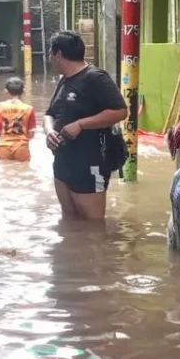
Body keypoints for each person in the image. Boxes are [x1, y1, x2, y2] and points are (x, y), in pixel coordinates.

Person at [43, 31, 128, 221]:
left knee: (93, 224)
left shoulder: (95, 78)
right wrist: (49, 131)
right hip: (63, 159)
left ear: (58, 54)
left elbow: (121, 111)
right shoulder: (64, 80)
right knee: (69, 216)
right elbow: (50, 113)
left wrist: (81, 124)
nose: (49, 58)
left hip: (91, 161)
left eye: (50, 53)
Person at [0, 77, 36, 162]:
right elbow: (31, 133)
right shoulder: (29, 109)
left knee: (3, 172)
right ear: (23, 92)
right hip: (21, 147)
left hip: (3, 146)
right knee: (23, 171)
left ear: (6, 91)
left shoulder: (0, 107)